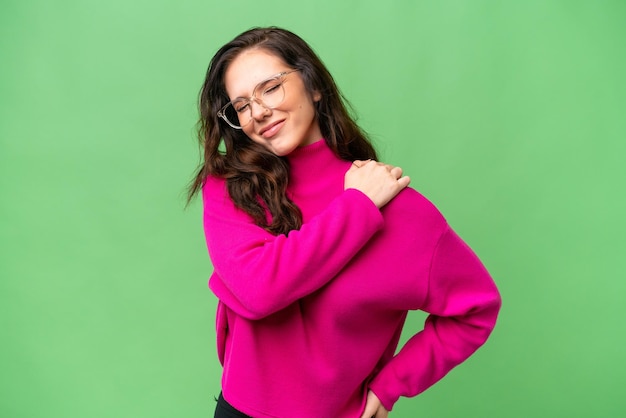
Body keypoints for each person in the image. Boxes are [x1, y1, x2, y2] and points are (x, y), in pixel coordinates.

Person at [188, 26, 501, 418]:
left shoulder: (404, 212)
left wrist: (392, 385)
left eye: (270, 88)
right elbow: (258, 290)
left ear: (314, 85)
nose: (259, 112)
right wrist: (356, 208)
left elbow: (477, 308)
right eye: (242, 105)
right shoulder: (230, 188)